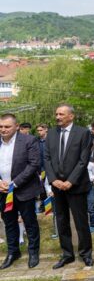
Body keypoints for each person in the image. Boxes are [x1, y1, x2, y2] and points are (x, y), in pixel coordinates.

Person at [44, 104, 94, 268]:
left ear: (71, 116)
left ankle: (86, 253)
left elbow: (83, 160)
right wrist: (53, 180)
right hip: (57, 187)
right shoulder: (51, 133)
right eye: (56, 114)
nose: (58, 117)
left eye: (61, 114)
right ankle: (67, 254)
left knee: (81, 222)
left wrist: (70, 181)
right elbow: (47, 159)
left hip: (76, 186)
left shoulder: (83, 133)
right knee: (61, 221)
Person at [0, 114, 41, 269]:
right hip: (3, 192)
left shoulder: (29, 141)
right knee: (9, 223)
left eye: (7, 126)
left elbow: (33, 164)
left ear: (16, 126)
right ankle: (13, 252)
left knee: (29, 223)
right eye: (1, 126)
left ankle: (33, 252)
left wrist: (14, 184)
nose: (3, 130)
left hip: (24, 190)